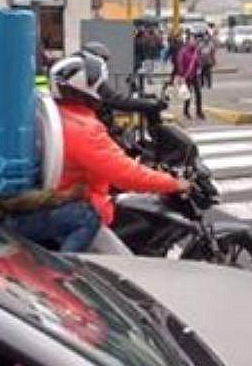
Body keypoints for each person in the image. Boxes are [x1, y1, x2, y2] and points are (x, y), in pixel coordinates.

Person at [49, 44, 190, 251]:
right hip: (84, 207)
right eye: (99, 85)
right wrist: (174, 183)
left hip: (63, 196)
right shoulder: (84, 129)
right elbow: (126, 175)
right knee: (126, 263)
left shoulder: (56, 113)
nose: (102, 88)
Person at [176, 36, 203, 120]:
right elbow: (179, 63)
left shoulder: (196, 51)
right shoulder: (183, 51)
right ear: (188, 42)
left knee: (198, 94)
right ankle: (186, 111)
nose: (194, 43)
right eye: (192, 41)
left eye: (194, 41)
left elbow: (198, 62)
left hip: (194, 76)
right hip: (185, 76)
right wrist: (181, 75)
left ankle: (199, 111)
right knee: (187, 95)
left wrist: (199, 66)